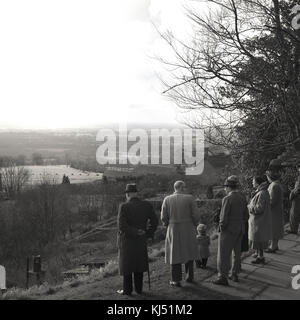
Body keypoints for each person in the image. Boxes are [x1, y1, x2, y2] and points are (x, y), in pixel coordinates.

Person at [117, 184, 158, 296]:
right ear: (137, 193)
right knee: (139, 263)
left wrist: (135, 232)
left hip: (127, 240)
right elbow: (155, 222)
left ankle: (127, 290)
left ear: (128, 194)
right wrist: (148, 234)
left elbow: (122, 226)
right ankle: (139, 289)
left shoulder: (124, 207)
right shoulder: (146, 205)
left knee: (127, 264)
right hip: (141, 239)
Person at [161, 181, 199, 287]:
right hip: (188, 227)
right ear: (181, 188)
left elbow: (163, 217)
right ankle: (189, 276)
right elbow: (195, 214)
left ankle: (176, 280)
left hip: (173, 228)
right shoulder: (190, 198)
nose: (186, 188)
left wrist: (166, 224)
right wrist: (195, 224)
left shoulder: (167, 199)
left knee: (174, 253)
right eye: (185, 187)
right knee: (189, 250)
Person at [212, 175, 248, 286]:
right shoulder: (242, 197)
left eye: (225, 187)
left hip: (228, 229)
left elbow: (223, 217)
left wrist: (221, 229)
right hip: (240, 228)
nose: (225, 189)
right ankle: (234, 274)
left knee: (223, 254)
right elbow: (246, 215)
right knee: (236, 254)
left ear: (229, 187)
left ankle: (222, 277)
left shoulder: (227, 199)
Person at [248, 175, 272, 264]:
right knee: (258, 239)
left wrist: (249, 207)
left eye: (253, 181)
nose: (252, 183)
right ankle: (258, 254)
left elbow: (259, 208)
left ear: (258, 183)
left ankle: (260, 257)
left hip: (259, 221)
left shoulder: (262, 193)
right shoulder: (262, 192)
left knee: (259, 239)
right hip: (259, 220)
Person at [265, 170, 284, 253]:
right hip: (277, 209)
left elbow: (272, 200)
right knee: (275, 227)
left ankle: (273, 246)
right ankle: (274, 245)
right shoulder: (277, 184)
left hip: (274, 210)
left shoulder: (274, 185)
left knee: (273, 228)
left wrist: (266, 205)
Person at [287, 168, 300, 235]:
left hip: (297, 198)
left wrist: (292, 193)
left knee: (294, 213)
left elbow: (297, 189)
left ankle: (294, 229)